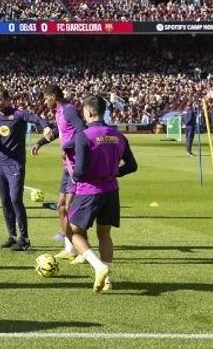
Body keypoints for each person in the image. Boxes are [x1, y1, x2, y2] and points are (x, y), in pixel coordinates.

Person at [69, 94, 138, 293]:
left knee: (74, 232)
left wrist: (73, 175)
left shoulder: (83, 136)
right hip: (111, 191)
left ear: (90, 112)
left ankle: (98, 266)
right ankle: (107, 280)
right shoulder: (118, 136)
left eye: (83, 111)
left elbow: (80, 172)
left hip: (89, 191)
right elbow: (132, 166)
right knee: (104, 234)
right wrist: (114, 172)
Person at [0, 88, 47, 251]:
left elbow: (36, 118)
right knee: (5, 201)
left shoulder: (18, 114)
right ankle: (12, 236)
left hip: (15, 164)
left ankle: (25, 238)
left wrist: (46, 127)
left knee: (15, 199)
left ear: (8, 100)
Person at [30, 85, 86, 261]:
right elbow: (58, 131)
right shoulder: (59, 112)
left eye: (46, 98)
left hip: (76, 165)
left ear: (54, 97)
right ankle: (70, 248)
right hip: (67, 165)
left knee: (71, 209)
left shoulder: (69, 111)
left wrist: (68, 146)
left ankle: (83, 250)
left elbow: (83, 132)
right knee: (61, 207)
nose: (45, 102)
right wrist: (40, 142)